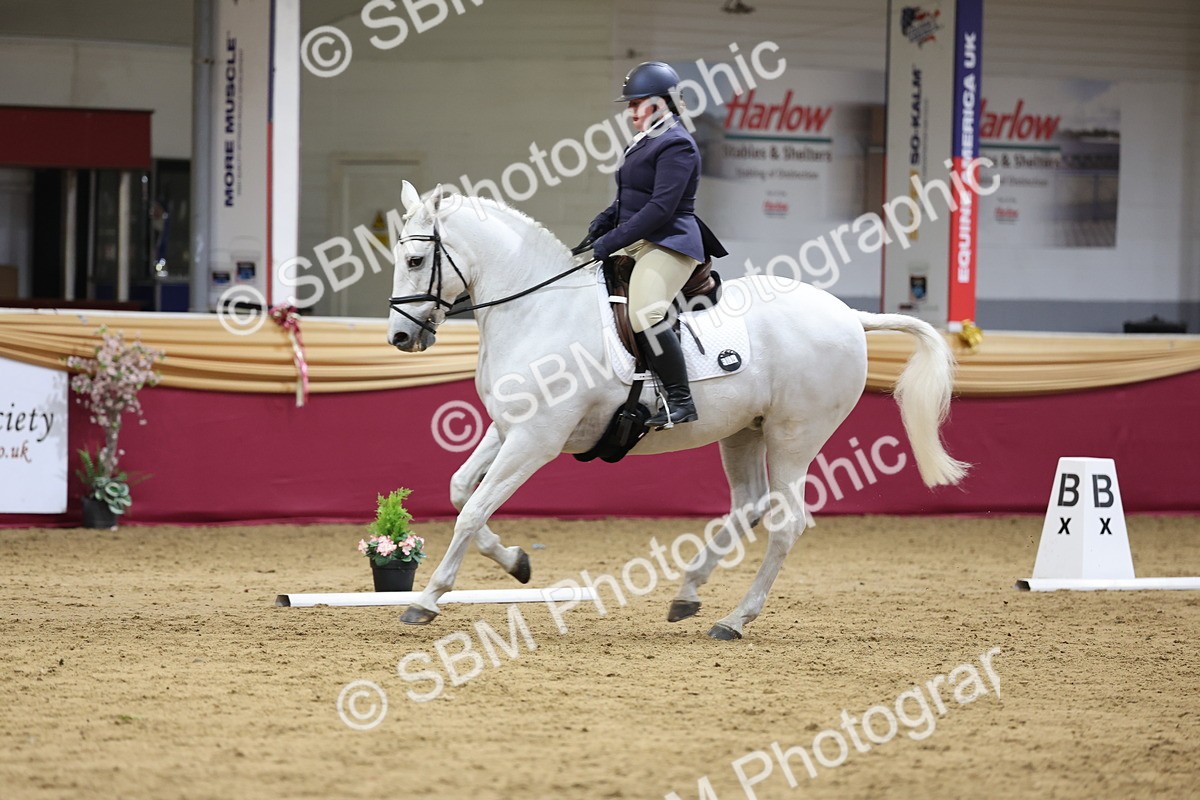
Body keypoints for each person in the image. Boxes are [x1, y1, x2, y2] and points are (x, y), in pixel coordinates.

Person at [578, 61, 725, 430]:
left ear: (659, 103)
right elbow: (633, 197)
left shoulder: (677, 144)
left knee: (645, 313)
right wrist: (605, 220)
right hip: (637, 238)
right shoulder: (644, 140)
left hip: (670, 242)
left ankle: (680, 398)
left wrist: (613, 240)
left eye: (635, 104)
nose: (629, 112)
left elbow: (660, 208)